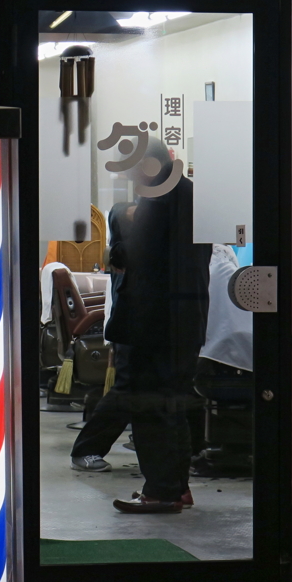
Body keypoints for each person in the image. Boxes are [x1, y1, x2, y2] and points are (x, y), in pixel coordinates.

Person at [109, 140, 212, 514]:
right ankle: (177, 487)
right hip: (187, 319)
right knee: (174, 404)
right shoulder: (191, 194)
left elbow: (133, 256)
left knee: (151, 408)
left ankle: (161, 490)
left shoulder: (158, 199)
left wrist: (121, 238)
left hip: (155, 323)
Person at [70, 202, 136, 472]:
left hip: (137, 333)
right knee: (125, 394)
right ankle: (85, 450)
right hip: (129, 334)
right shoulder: (125, 257)